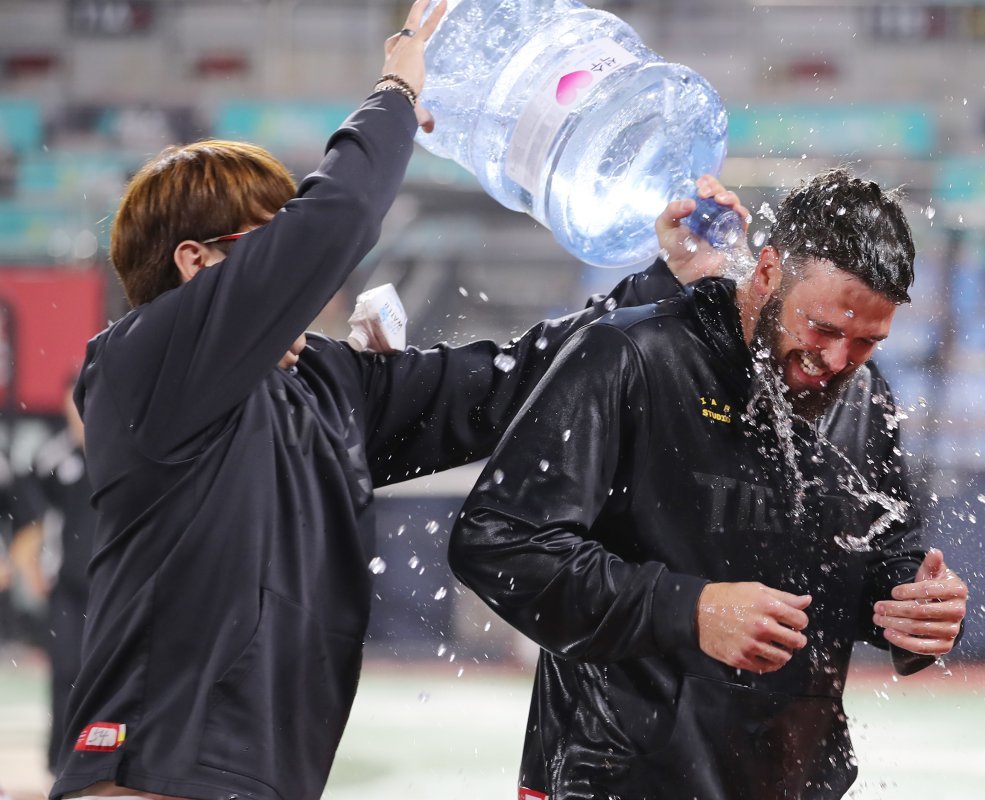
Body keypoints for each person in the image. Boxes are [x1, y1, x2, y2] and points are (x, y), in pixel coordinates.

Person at [50, 2, 719, 797]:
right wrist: (397, 88)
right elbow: (338, 216)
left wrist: (662, 281)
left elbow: (509, 381)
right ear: (196, 263)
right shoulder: (143, 362)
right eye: (270, 238)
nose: (309, 272)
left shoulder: (324, 386)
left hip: (269, 774)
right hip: (152, 763)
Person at [449, 168, 970, 800]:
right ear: (770, 270)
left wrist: (912, 607)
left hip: (793, 780)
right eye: (824, 328)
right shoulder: (629, 354)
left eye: (866, 341)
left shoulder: (865, 397)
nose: (837, 362)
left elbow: (882, 557)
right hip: (615, 780)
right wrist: (689, 609)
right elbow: (497, 542)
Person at [10, 380, 96, 775]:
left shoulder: (121, 450)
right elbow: (30, 514)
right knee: (66, 670)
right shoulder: (54, 457)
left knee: (109, 672)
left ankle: (103, 760)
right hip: (69, 586)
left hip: (113, 585)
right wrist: (27, 565)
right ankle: (60, 762)